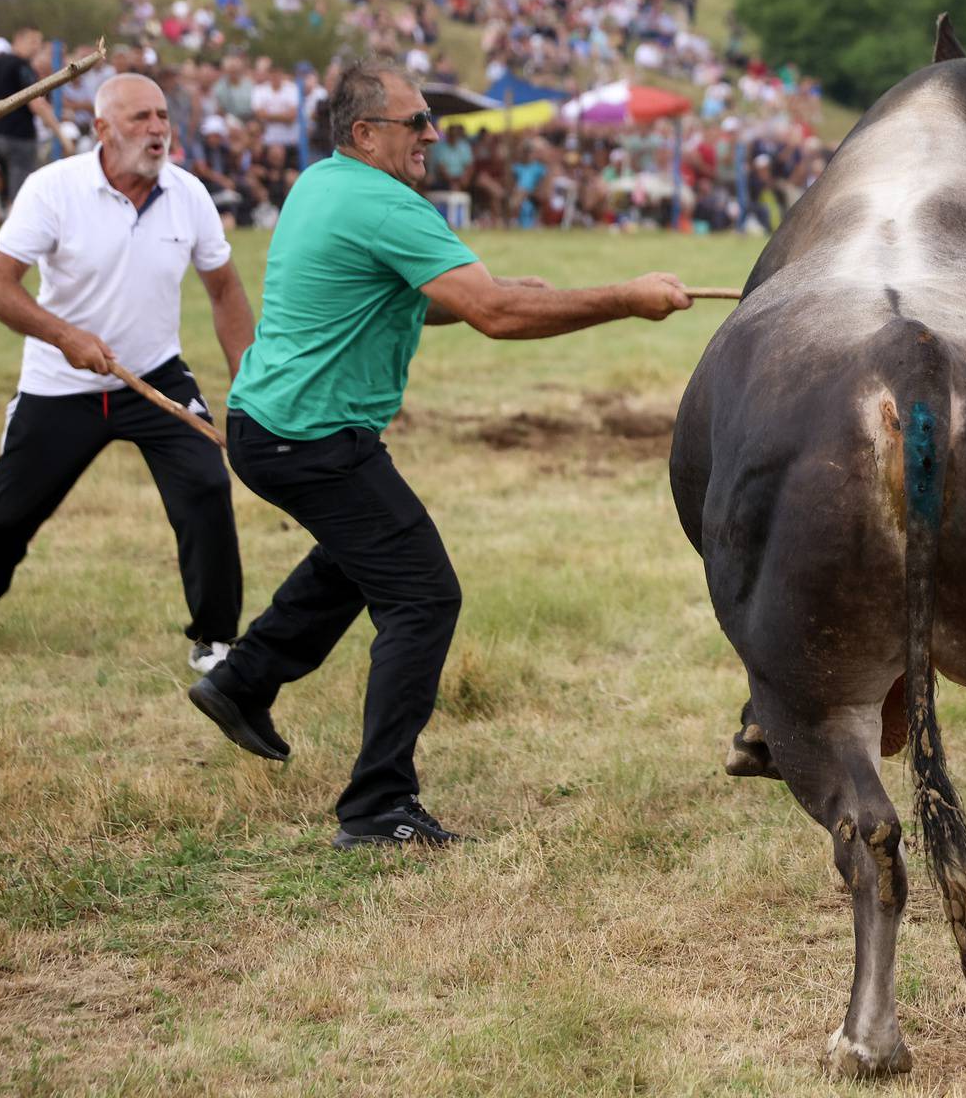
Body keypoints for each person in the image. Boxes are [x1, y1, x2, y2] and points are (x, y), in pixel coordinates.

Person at [186, 61, 691, 851]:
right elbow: (495, 314)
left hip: (272, 426)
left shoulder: (323, 184)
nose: (432, 132)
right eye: (414, 121)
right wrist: (624, 300)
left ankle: (241, 682)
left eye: (430, 119)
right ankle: (377, 807)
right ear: (363, 133)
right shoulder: (384, 202)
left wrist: (487, 292)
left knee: (362, 556)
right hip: (312, 438)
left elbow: (419, 299)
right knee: (422, 597)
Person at [0, 74, 256, 672]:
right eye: (140, 119)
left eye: (162, 116)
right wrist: (66, 337)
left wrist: (249, 383)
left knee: (207, 487)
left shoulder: (189, 194)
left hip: (155, 377)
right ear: (102, 129)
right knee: (11, 514)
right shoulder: (53, 189)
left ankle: (215, 640)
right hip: (60, 385)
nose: (157, 129)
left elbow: (226, 290)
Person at [0, 26, 78, 201]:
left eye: (39, 43)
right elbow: (37, 103)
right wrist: (60, 134)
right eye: (32, 41)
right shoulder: (22, 66)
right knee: (19, 195)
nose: (36, 47)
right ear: (18, 39)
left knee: (6, 192)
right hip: (19, 138)